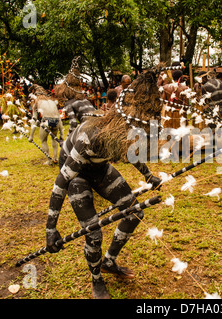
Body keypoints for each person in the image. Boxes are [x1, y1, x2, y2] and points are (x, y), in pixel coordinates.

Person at [45, 63, 163, 299]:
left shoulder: (125, 133)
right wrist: (50, 229)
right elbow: (60, 183)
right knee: (94, 232)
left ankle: (109, 261)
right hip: (77, 175)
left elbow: (130, 152)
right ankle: (96, 279)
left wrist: (148, 175)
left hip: (99, 169)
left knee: (134, 212)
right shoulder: (91, 137)